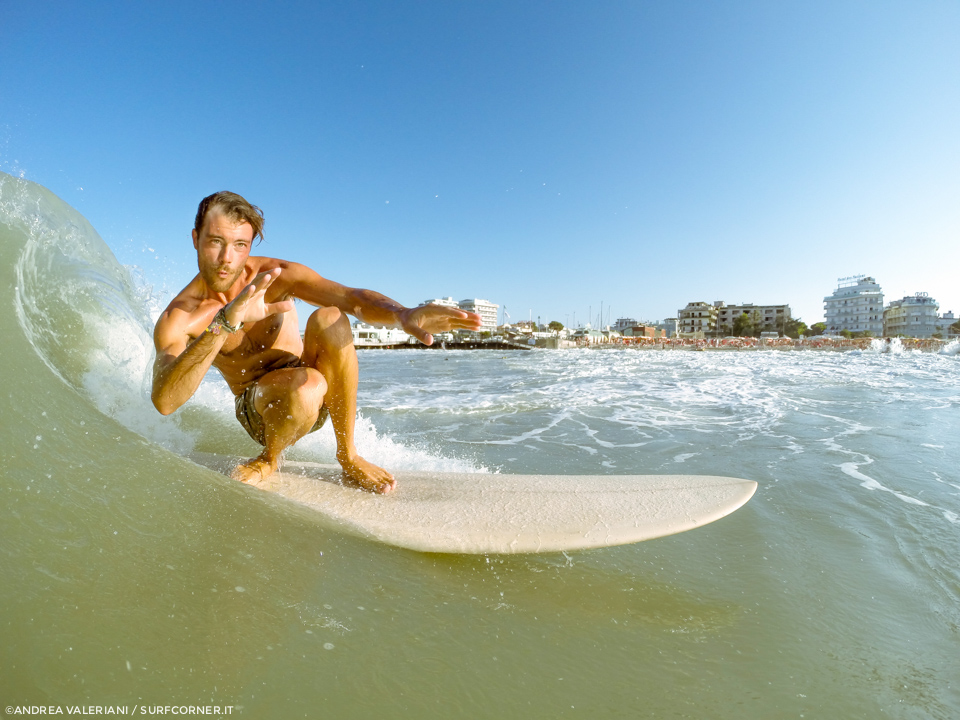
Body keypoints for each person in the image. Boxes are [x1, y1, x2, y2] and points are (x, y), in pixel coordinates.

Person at [151, 191, 482, 493]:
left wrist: (402, 313)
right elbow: (165, 401)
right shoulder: (182, 316)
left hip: (312, 388)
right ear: (195, 239)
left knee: (330, 318)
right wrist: (224, 323)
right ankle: (269, 458)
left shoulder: (277, 276)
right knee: (306, 386)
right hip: (260, 411)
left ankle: (349, 455)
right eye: (216, 241)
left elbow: (350, 298)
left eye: (240, 245)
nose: (227, 257)